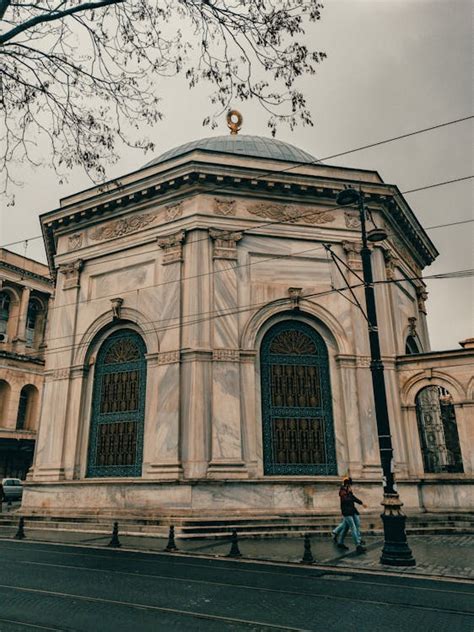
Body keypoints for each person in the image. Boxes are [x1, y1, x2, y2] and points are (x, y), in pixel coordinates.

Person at [333, 477, 366, 554]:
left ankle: (340, 542)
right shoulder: (342, 491)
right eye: (349, 484)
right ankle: (358, 545)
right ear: (347, 484)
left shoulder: (348, 491)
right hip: (347, 512)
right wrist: (349, 493)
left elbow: (353, 498)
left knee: (346, 527)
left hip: (352, 510)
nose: (351, 486)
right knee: (353, 527)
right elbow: (346, 500)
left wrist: (361, 503)